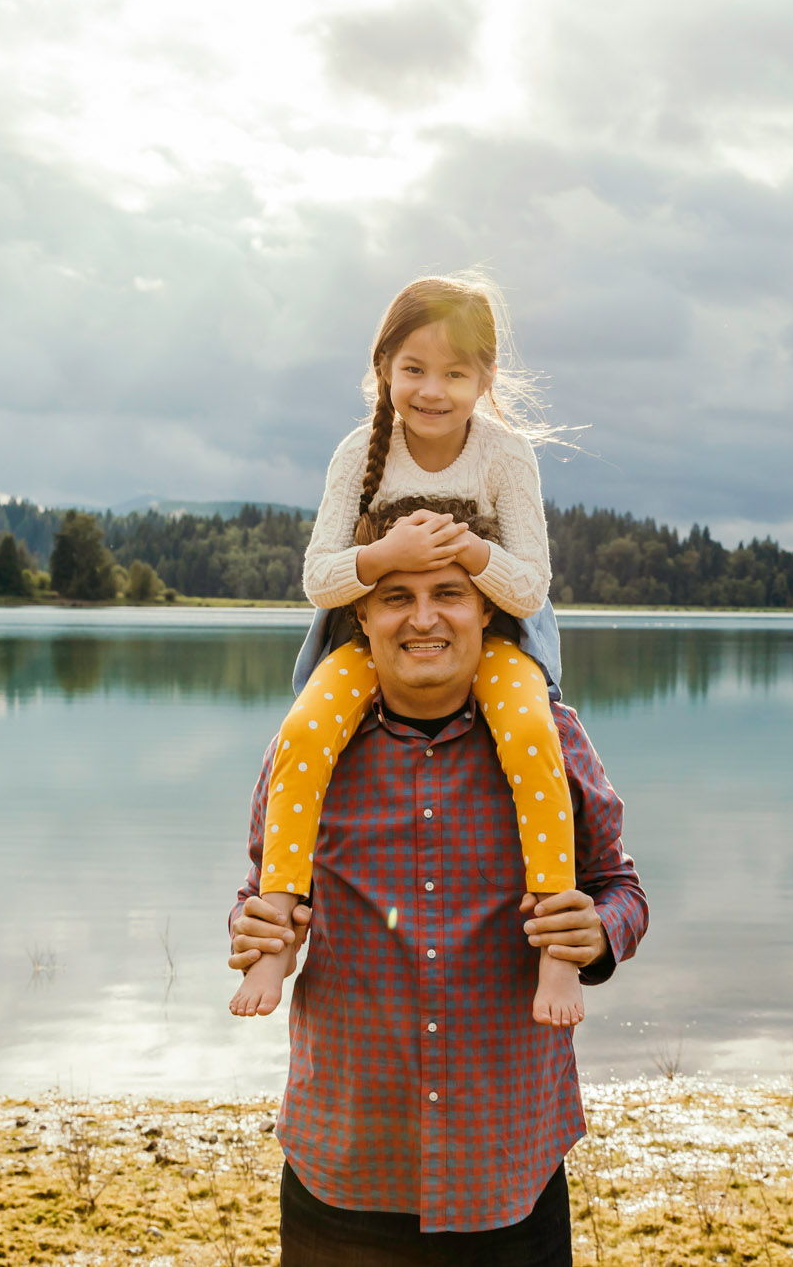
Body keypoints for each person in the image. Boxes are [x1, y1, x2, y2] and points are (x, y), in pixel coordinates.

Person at [227, 501, 648, 1263]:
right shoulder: (307, 749)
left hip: (508, 1170)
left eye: (448, 593)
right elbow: (261, 887)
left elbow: (620, 886)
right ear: (362, 612)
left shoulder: (552, 739)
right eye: (396, 594)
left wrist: (598, 935)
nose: (424, 618)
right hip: (344, 1167)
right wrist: (253, 928)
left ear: (486, 605)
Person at [230, 273, 583, 1026]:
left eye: (456, 373)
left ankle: (556, 936)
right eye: (415, 369)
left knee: (530, 731)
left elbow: (532, 585)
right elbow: (318, 578)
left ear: (486, 377)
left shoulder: (504, 453)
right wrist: (386, 553)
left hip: (492, 641)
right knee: (302, 731)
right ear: (383, 367)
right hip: (372, 640)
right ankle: (278, 918)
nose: (433, 390)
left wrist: (474, 554)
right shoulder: (358, 453)